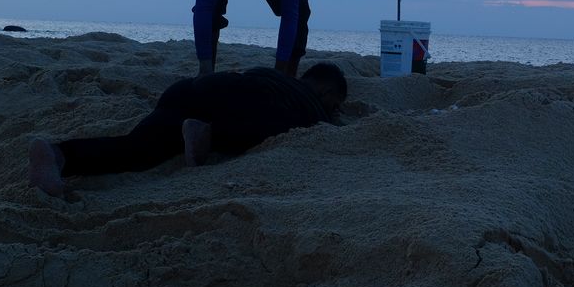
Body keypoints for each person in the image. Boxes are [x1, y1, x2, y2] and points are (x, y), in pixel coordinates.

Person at [28, 63, 347, 196]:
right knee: (288, 125)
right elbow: (272, 115)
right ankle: (209, 134)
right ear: (326, 92)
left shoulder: (269, 73)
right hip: (231, 106)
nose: (333, 111)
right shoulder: (308, 101)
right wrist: (325, 115)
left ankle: (59, 154)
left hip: (187, 91)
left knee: (136, 150)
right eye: (334, 104)